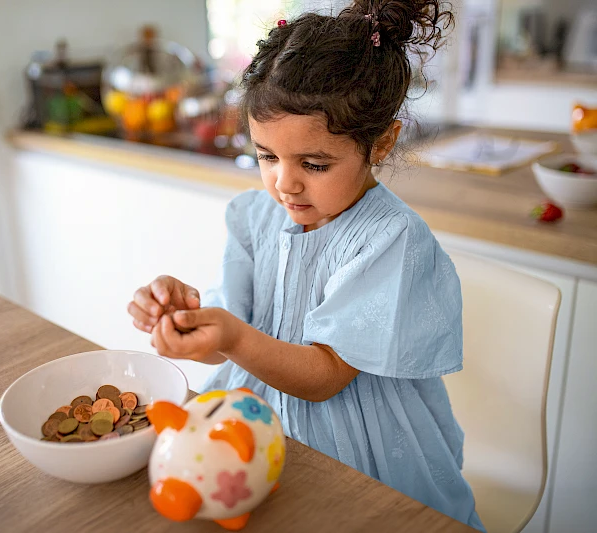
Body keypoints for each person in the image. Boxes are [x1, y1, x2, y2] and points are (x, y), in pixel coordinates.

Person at [127, 1, 484, 529]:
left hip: (361, 454)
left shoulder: (391, 239)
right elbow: (226, 332)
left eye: (314, 164)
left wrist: (230, 336)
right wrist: (187, 318)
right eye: (267, 156)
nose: (285, 184)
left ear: (381, 141)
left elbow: (325, 376)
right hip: (258, 436)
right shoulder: (256, 218)